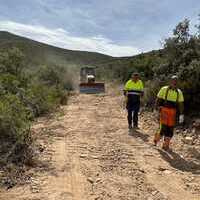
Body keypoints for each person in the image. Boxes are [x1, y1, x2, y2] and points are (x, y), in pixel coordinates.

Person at [153, 75, 184, 150]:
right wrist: (155, 109)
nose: (174, 82)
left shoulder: (179, 92)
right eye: (173, 81)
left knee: (170, 129)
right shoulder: (164, 89)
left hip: (173, 112)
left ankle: (166, 145)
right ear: (170, 81)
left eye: (176, 81)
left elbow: (181, 104)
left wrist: (181, 115)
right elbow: (158, 99)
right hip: (164, 110)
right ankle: (156, 139)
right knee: (163, 128)